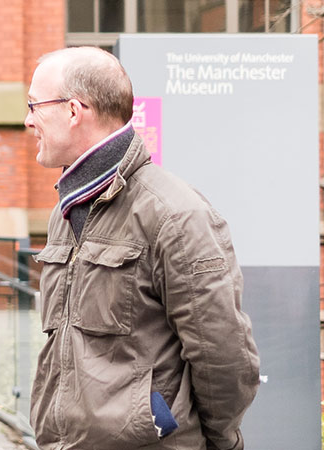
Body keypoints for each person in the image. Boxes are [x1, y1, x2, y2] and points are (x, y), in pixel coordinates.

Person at [25, 47, 259, 450]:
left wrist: (218, 441)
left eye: (34, 106)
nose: (29, 120)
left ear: (74, 110)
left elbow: (223, 356)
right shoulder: (66, 211)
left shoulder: (176, 214)